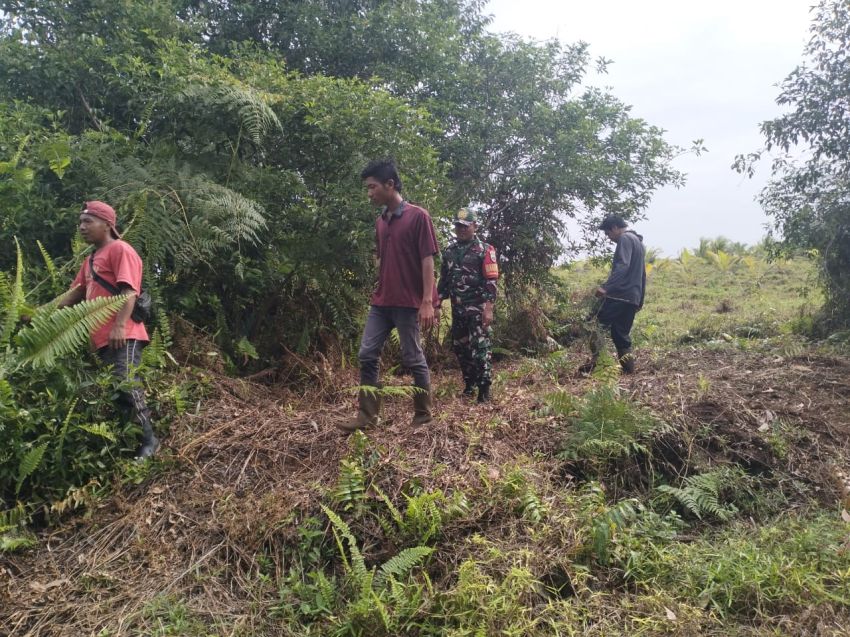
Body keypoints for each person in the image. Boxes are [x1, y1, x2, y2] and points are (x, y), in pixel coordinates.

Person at [339, 160, 440, 431]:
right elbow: (382, 259)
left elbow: (427, 260)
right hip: (381, 302)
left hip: (409, 304)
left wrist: (427, 301)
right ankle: (366, 417)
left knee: (413, 358)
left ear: (390, 185)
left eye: (372, 187)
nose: (369, 193)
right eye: (368, 188)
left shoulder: (419, 216)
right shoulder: (380, 222)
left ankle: (423, 416)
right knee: (367, 353)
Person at [58, 201, 159, 459]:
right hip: (102, 340)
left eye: (88, 221)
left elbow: (129, 291)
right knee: (115, 392)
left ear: (107, 225)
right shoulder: (90, 260)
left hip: (123, 334)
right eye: (80, 222)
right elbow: (74, 295)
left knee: (125, 383)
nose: (82, 227)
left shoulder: (120, 249)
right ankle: (132, 445)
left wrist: (119, 325)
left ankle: (149, 441)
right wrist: (41, 315)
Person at [438, 208, 499, 403]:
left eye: (465, 226)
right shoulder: (449, 252)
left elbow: (491, 281)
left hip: (478, 309)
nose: (461, 229)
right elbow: (444, 281)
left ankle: (484, 389)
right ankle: (470, 383)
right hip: (458, 309)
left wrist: (488, 308)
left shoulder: (485, 250)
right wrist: (437, 304)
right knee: (460, 348)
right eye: (458, 226)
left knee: (480, 348)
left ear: (475, 226)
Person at [581, 215, 646, 375]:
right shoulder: (638, 242)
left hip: (618, 296)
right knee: (620, 333)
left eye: (608, 234)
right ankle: (629, 371)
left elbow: (623, 266)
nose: (609, 238)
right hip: (632, 297)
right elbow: (642, 274)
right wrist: (640, 299)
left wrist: (606, 287)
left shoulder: (625, 239)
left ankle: (599, 365)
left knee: (594, 325)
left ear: (615, 228)